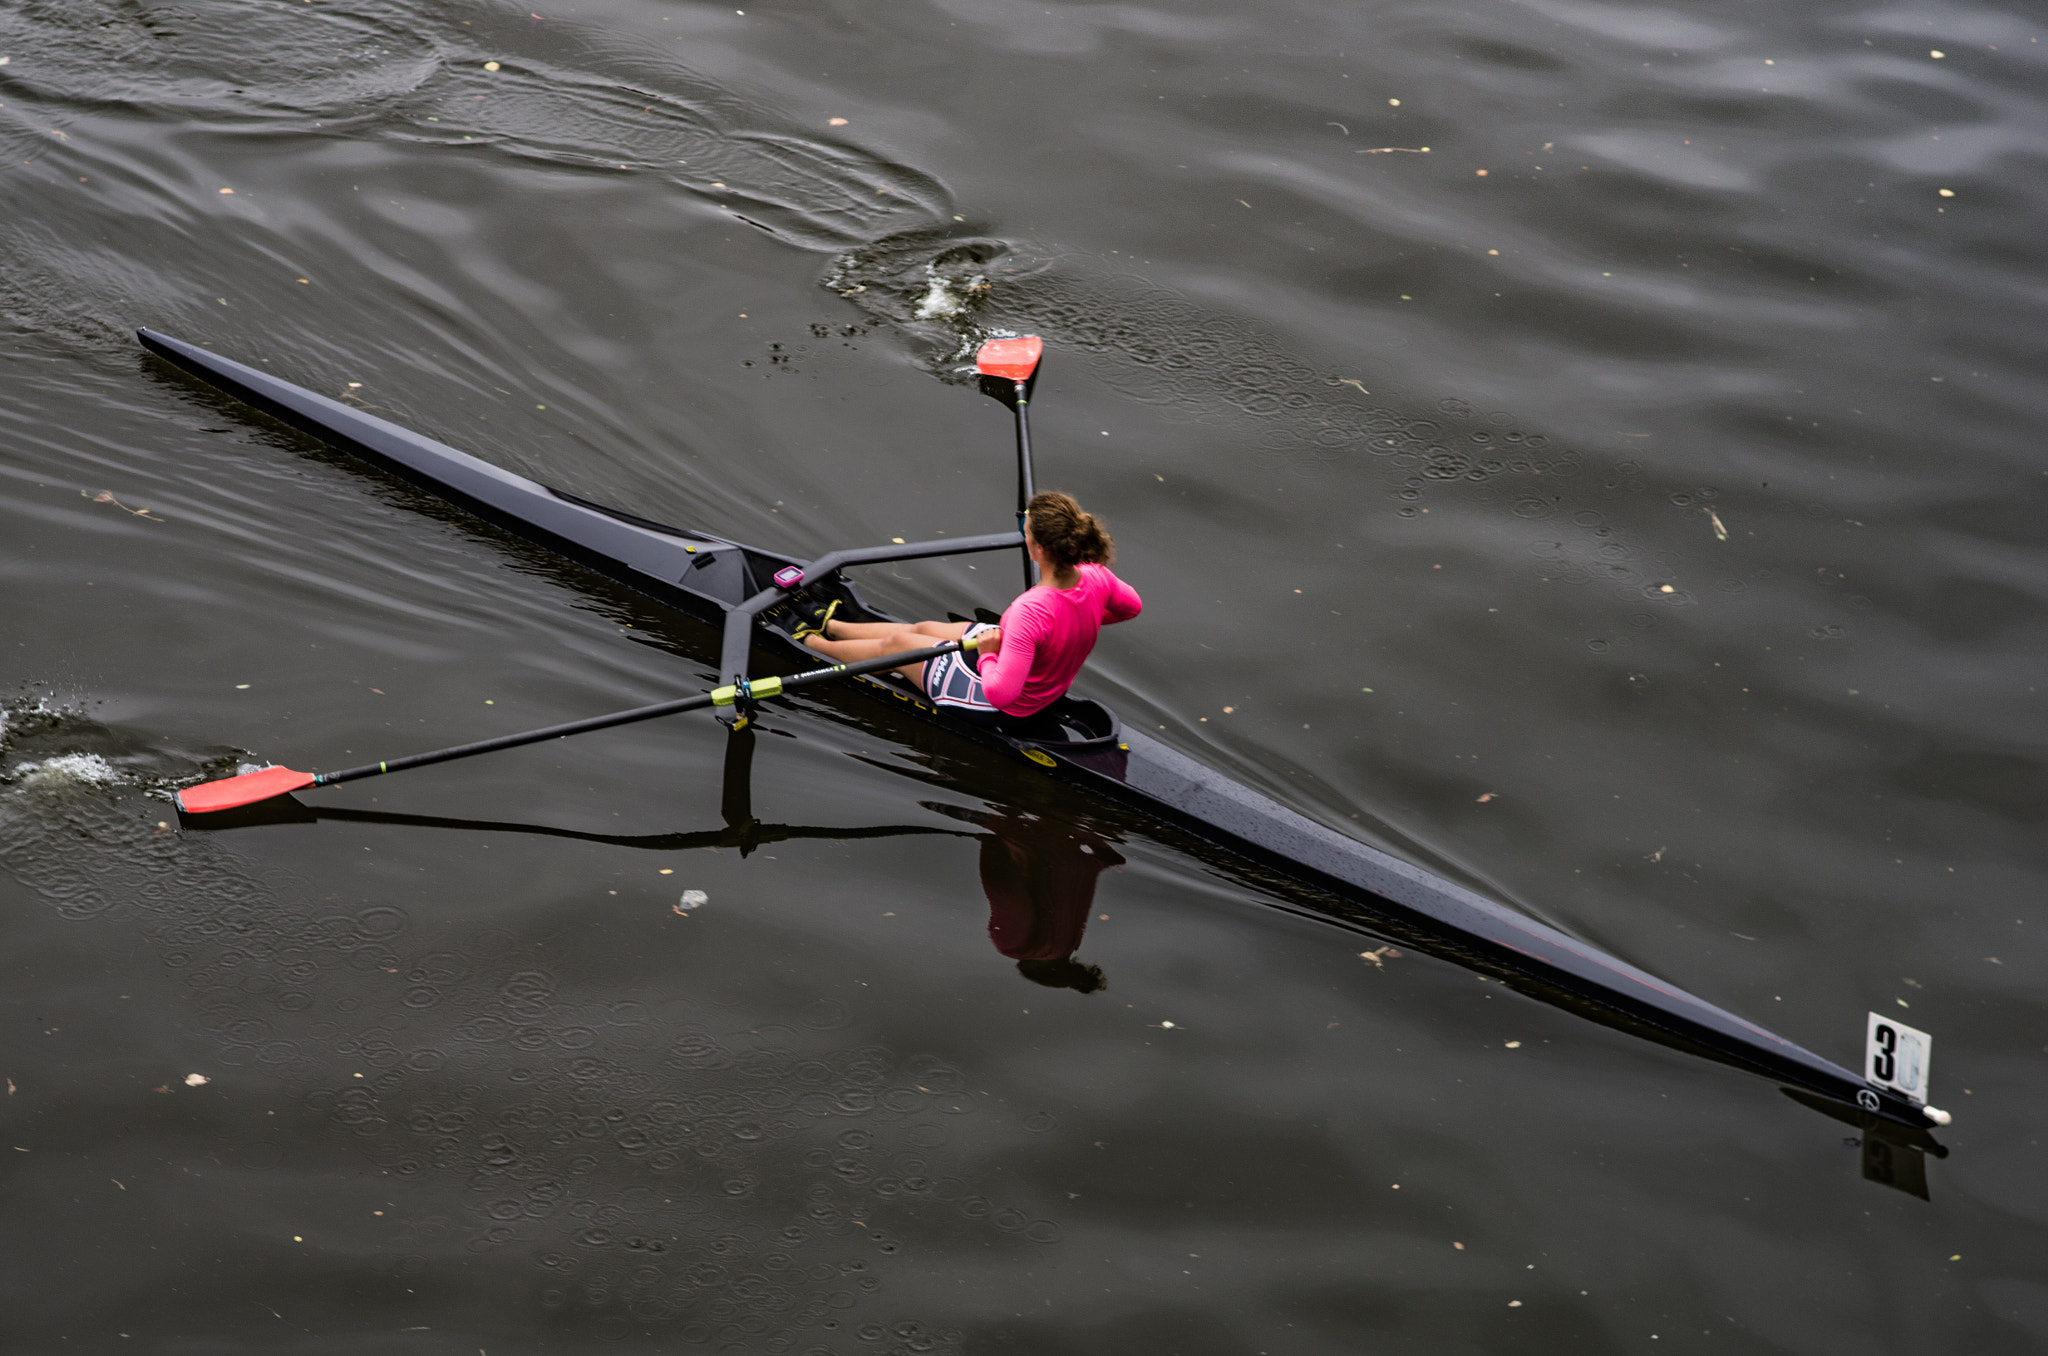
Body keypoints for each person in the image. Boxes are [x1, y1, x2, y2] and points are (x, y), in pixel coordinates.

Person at [796, 491, 1140, 723]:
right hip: (1033, 664)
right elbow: (1131, 608)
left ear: (1037, 549)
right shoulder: (1097, 577)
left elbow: (1002, 694)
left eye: (1025, 529)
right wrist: (1081, 619)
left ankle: (810, 643)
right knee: (924, 628)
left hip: (1009, 705)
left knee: (898, 648)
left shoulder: (1028, 610)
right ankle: (834, 625)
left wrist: (990, 653)